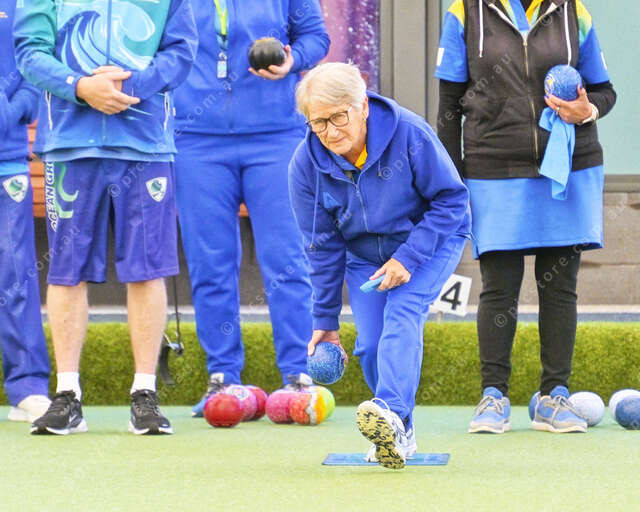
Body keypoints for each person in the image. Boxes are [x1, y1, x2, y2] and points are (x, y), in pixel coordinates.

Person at [14, 0, 198, 435]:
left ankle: (144, 393)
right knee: (66, 270)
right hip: (69, 145)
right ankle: (67, 395)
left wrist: (127, 86)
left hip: (146, 144)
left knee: (147, 268)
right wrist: (80, 87)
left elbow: (182, 50)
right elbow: (30, 51)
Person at [436, 0, 616, 433]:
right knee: (498, 289)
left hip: (568, 167)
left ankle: (555, 397)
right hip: (492, 169)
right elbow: (448, 108)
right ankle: (493, 397)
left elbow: (605, 91)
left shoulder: (575, 12)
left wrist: (587, 110)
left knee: (561, 289)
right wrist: (452, 183)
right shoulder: (464, 12)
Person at [289, 62, 470, 469]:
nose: (330, 131)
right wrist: (325, 320)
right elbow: (322, 247)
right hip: (364, 255)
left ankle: (390, 411)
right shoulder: (304, 166)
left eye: (339, 117)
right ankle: (399, 431)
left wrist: (408, 257)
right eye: (318, 122)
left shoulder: (410, 134)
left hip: (429, 241)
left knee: (402, 311)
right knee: (370, 344)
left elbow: (452, 200)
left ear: (363, 106)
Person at [173, 0, 329, 416]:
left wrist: (293, 60)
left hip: (276, 136)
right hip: (195, 138)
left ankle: (298, 374)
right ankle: (223, 375)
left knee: (287, 259)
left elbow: (316, 37)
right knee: (210, 262)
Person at [0, 0, 51, 423]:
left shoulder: (21, 5)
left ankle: (28, 386)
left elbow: (37, 71)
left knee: (15, 275)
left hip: (7, 161)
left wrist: (9, 111)